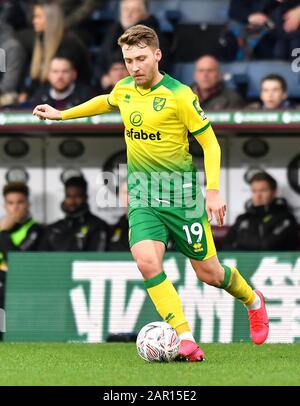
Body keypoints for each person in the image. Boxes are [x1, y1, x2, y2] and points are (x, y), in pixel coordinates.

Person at [33, 24, 269, 362]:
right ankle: (185, 338)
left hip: (182, 198)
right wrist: (62, 114)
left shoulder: (179, 95)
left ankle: (253, 300)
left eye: (141, 58)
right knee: (146, 262)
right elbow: (106, 101)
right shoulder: (125, 89)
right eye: (129, 60)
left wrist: (214, 191)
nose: (134, 66)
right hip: (144, 197)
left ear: (157, 55)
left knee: (210, 274)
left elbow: (210, 142)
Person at [20, 0, 90, 102]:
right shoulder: (41, 40)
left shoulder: (68, 44)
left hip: (74, 98)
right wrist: (26, 92)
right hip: (49, 95)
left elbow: (66, 79)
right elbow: (37, 78)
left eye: (38, 17)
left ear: (50, 20)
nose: (34, 21)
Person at [0, 182, 44, 340]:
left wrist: (3, 233)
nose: (15, 208)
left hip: (19, 290)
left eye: (20, 202)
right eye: (10, 203)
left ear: (28, 204)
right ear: (5, 205)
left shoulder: (36, 230)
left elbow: (18, 263)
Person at [221, 172, 298, 251]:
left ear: (274, 192)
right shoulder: (243, 219)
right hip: (242, 263)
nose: (258, 195)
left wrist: (239, 244)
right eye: (254, 191)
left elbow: (267, 246)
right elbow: (224, 247)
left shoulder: (286, 219)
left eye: (263, 190)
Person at [40, 176, 109, 251]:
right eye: (68, 196)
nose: (72, 202)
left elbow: (97, 259)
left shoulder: (98, 226)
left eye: (77, 196)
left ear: (86, 198)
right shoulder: (52, 229)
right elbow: (42, 258)